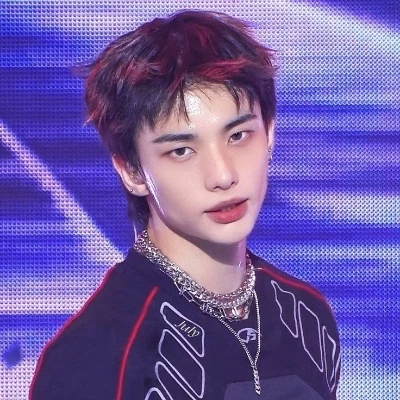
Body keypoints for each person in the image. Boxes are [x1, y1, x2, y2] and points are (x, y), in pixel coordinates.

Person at [30, 10, 340, 400]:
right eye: (181, 150)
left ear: (269, 133)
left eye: (238, 136)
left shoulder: (307, 316)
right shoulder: (95, 357)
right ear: (132, 171)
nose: (223, 175)